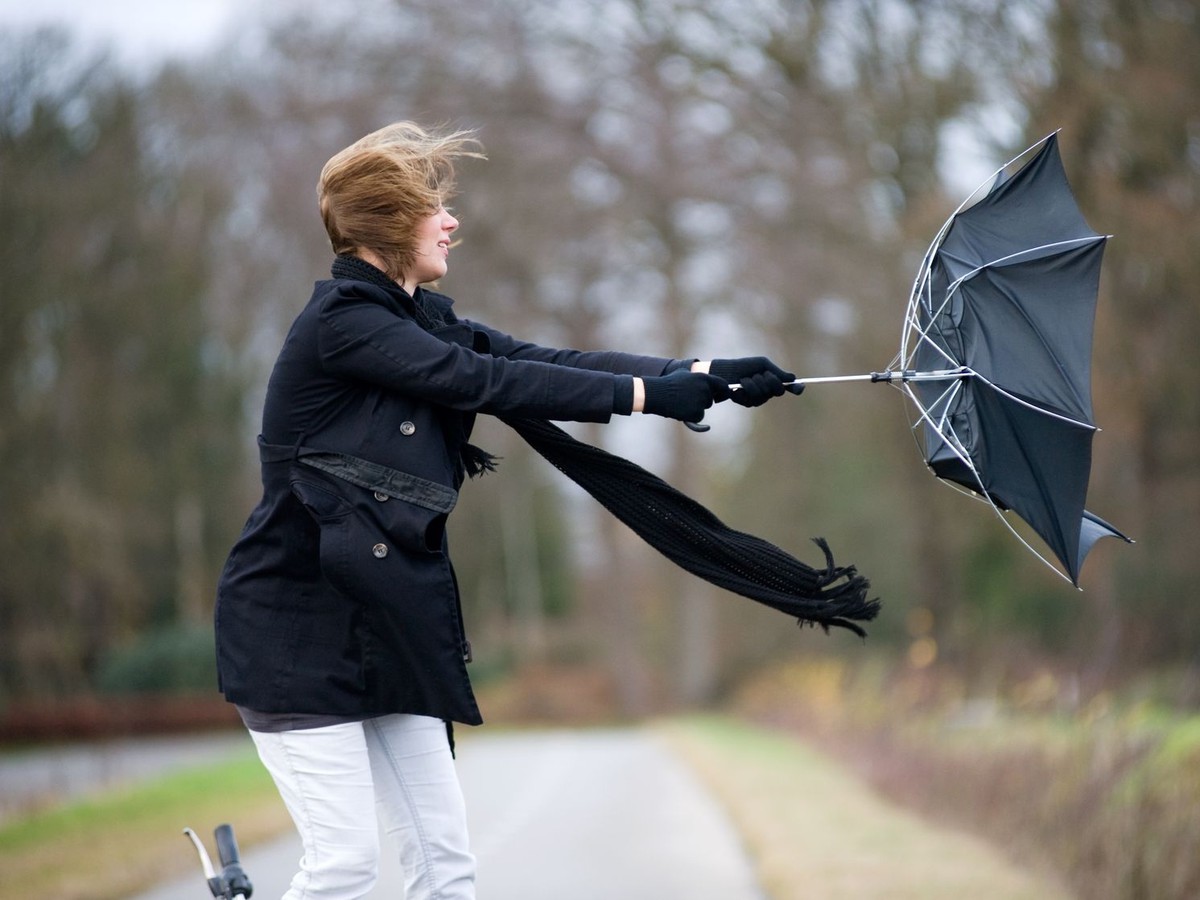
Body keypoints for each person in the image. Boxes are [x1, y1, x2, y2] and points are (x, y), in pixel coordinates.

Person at [213, 121, 798, 900]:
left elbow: (536, 362)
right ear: (388, 223)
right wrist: (650, 395)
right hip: (296, 633)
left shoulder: (421, 319)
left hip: (389, 627)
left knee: (445, 865)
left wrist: (697, 372)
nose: (451, 221)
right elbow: (480, 383)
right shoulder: (344, 326)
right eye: (432, 208)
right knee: (345, 867)